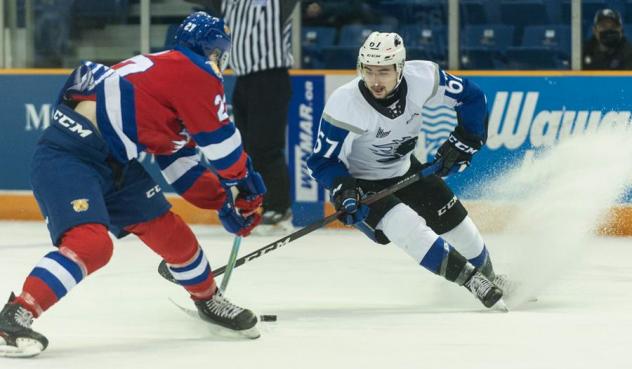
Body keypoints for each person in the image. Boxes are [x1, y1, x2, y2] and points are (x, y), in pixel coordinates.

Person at [0, 12, 266, 358]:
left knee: (173, 234)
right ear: (214, 53)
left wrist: (221, 201)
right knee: (92, 245)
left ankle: (207, 299)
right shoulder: (194, 72)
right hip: (70, 157)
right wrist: (245, 186)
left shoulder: (166, 82)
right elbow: (223, 144)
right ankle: (15, 315)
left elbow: (181, 166)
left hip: (113, 164)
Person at [307, 32, 506, 309]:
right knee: (405, 226)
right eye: (369, 71)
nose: (375, 81)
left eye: (384, 72)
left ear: (400, 68)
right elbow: (321, 161)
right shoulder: (345, 104)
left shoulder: (423, 76)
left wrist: (468, 139)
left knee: (459, 225)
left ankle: (489, 276)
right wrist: (344, 189)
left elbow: (472, 97)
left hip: (405, 169)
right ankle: (471, 280)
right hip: (363, 186)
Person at [205, 0, 298, 232]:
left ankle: (279, 206)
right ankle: (256, 203)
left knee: (266, 145)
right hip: (242, 80)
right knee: (245, 147)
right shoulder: (228, 2)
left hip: (271, 77)